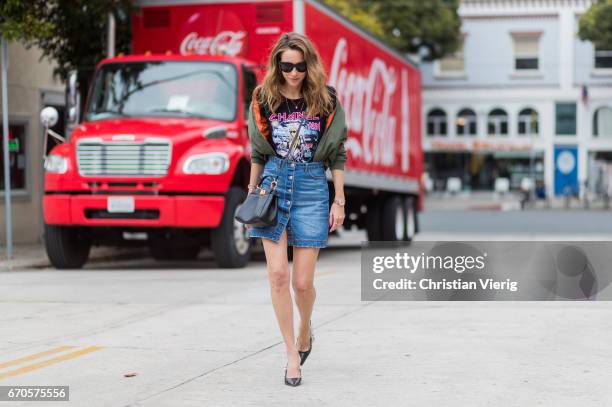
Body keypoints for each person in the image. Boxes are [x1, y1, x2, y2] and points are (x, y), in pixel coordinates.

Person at [246, 32, 348, 387]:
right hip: (272, 184)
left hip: (311, 187)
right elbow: (257, 150)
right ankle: (291, 355)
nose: (292, 72)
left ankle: (306, 330)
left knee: (303, 283)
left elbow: (337, 153)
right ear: (277, 65)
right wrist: (252, 190)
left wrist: (339, 199)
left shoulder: (326, 99)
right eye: (286, 65)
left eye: (299, 66)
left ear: (310, 65)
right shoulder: (263, 97)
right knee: (278, 275)